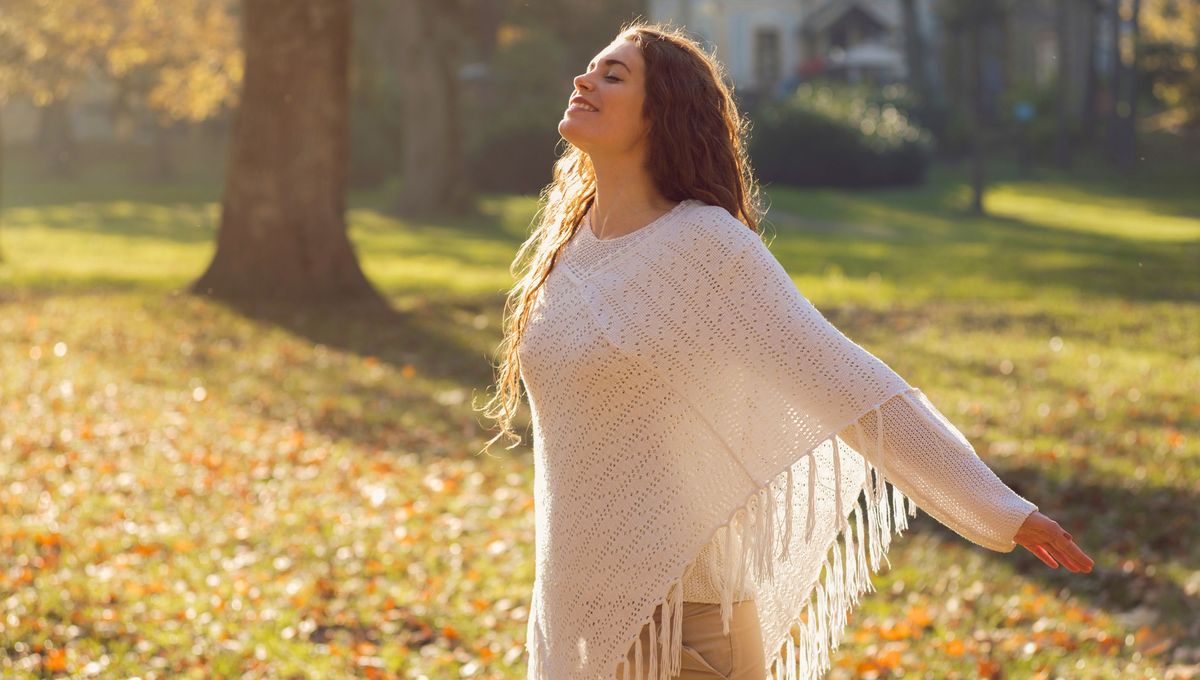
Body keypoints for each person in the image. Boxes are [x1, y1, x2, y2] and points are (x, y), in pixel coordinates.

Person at [478, 20, 1095, 680]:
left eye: (613, 74)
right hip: (571, 612)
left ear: (664, 113)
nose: (584, 79)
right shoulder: (567, 245)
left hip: (683, 625)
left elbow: (845, 380)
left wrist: (998, 508)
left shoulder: (706, 246)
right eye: (591, 66)